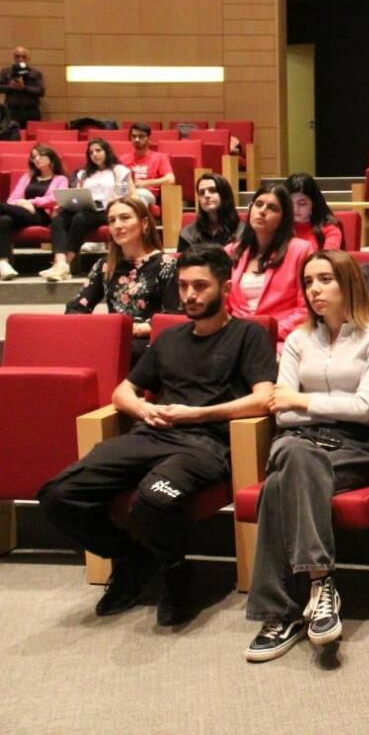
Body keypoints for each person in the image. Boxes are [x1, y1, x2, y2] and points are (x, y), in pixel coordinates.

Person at [37, 245, 276, 626]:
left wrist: (197, 414)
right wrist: (143, 410)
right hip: (151, 435)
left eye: (200, 286)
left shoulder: (248, 335)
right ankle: (132, 558)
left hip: (206, 445)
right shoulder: (168, 338)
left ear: (225, 287)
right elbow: (123, 392)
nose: (189, 295)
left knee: (153, 500)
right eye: (183, 286)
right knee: (58, 495)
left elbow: (264, 398)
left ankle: (176, 573)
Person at [244, 249, 369, 662]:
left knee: (279, 484)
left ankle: (280, 615)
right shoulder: (297, 339)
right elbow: (282, 411)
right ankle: (321, 582)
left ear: (348, 283)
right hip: (297, 440)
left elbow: (365, 409)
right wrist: (332, 405)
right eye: (308, 282)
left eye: (325, 279)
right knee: (296, 454)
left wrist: (304, 401)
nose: (315, 289)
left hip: (353, 447)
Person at [65, 197, 178, 363]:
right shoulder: (105, 265)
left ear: (144, 223)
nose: (117, 225)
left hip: (152, 342)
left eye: (125, 218)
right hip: (116, 339)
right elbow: (77, 307)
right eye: (112, 220)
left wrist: (134, 330)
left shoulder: (166, 264)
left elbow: (173, 317)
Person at [226, 184, 312, 345]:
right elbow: (222, 306)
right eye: (258, 204)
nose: (262, 211)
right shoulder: (231, 251)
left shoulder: (300, 250)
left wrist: (268, 333)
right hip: (236, 338)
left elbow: (304, 309)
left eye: (272, 208)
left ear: (284, 218)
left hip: (281, 339)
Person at [40, 138, 134, 282]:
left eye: (98, 150)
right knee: (58, 218)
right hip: (86, 206)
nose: (94, 154)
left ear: (107, 151)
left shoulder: (119, 171)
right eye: (91, 152)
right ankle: (59, 262)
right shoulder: (84, 173)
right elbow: (78, 193)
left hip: (107, 209)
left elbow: (131, 194)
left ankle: (65, 264)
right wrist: (66, 203)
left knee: (80, 218)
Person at [0, 143, 68, 280]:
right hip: (21, 213)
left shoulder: (60, 179)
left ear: (51, 158)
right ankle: (3, 265)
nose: (37, 159)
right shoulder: (26, 177)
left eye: (41, 155)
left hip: (42, 215)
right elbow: (12, 199)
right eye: (34, 156)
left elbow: (55, 199)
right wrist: (23, 203)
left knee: (4, 209)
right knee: (3, 220)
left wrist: (31, 202)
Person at [177, 173, 241, 253]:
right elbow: (182, 260)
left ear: (225, 195)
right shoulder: (187, 234)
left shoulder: (242, 232)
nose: (206, 195)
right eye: (202, 192)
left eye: (213, 190)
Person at [118, 123, 174, 208]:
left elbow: (170, 179)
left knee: (139, 195)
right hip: (127, 192)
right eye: (134, 136)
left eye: (141, 136)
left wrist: (145, 183)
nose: (137, 139)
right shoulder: (123, 159)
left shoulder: (160, 157)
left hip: (147, 192)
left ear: (149, 139)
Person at [285, 172, 343, 251]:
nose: (295, 209)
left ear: (314, 203)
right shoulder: (279, 227)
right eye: (290, 203)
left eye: (302, 203)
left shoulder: (330, 230)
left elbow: (328, 257)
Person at [0, 46, 45, 127]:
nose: (20, 59)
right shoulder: (6, 72)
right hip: (12, 110)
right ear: (14, 57)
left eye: (23, 56)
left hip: (31, 111)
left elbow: (41, 91)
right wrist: (10, 87)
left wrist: (24, 88)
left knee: (32, 133)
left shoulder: (35, 73)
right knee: (12, 133)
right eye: (17, 56)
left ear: (28, 58)